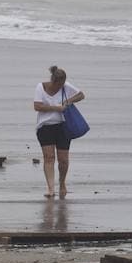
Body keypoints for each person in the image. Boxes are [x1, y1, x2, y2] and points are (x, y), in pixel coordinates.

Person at [33, 65, 84, 198]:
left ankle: (62, 183)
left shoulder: (66, 86)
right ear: (53, 81)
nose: (60, 87)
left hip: (63, 126)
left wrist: (68, 101)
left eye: (62, 85)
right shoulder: (40, 87)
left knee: (63, 160)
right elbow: (37, 106)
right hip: (45, 127)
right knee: (49, 157)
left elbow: (81, 95)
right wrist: (56, 108)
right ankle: (50, 188)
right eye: (58, 85)